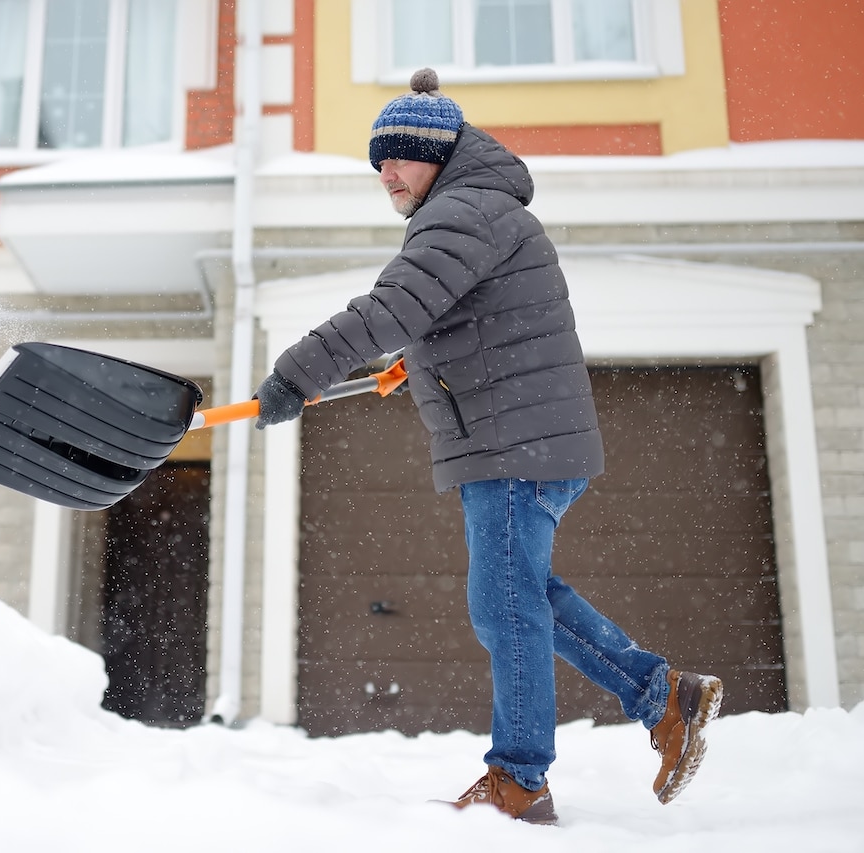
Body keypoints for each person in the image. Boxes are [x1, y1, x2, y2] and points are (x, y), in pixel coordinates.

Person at [251, 68, 723, 825]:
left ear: (437, 154)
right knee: (523, 598)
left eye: (398, 157)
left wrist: (293, 373)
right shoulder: (481, 209)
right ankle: (665, 696)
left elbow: (392, 306)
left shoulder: (460, 213)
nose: (386, 174)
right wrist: (422, 360)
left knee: (503, 607)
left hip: (515, 447)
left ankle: (519, 779)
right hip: (529, 442)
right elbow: (469, 316)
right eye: (378, 161)